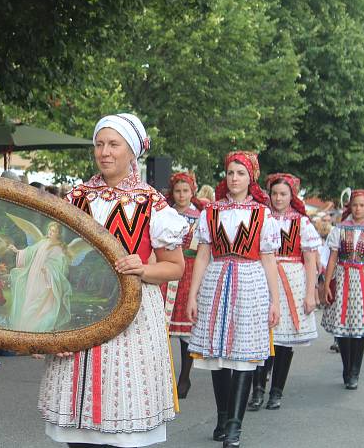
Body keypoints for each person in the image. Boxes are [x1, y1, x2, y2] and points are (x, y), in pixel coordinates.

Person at [38, 113, 187, 448]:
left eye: (114, 144)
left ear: (131, 152)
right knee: (79, 429)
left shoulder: (152, 202)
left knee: (121, 420)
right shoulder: (76, 196)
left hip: (132, 314)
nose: (105, 151)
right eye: (100, 144)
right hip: (78, 308)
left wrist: (143, 269)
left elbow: (175, 266)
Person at [186, 151, 281, 448]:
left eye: (240, 173)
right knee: (218, 358)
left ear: (250, 177)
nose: (234, 178)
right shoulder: (210, 212)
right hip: (216, 281)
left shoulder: (262, 214)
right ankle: (223, 416)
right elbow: (202, 255)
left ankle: (235, 427)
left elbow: (268, 259)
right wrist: (192, 295)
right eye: (230, 173)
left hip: (250, 283)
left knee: (241, 357)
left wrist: (275, 301)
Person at [248, 173, 320, 412]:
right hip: (264, 277)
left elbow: (310, 260)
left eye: (283, 194)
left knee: (283, 342)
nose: (278, 198)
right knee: (262, 336)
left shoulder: (301, 222)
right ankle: (258, 389)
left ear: (292, 196)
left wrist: (311, 293)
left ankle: (276, 390)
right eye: (275, 193)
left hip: (293, 280)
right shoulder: (260, 218)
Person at [321, 189, 364, 389]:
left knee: (359, 329)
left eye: (362, 205)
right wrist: (326, 283)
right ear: (349, 206)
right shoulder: (340, 229)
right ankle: (346, 365)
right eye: (354, 205)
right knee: (343, 328)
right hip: (342, 279)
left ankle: (354, 371)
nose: (358, 209)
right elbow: (333, 258)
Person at [161, 171, 204, 399]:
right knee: (163, 328)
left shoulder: (200, 216)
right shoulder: (164, 214)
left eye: (185, 190)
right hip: (168, 269)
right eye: (178, 191)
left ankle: (184, 377)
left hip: (189, 268)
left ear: (192, 191)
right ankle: (163, 377)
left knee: (186, 330)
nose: (181, 195)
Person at [8, 222, 71, 332]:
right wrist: (17, 251)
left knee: (39, 302)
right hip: (33, 275)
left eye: (54, 231)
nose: (50, 232)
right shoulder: (43, 242)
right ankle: (24, 326)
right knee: (29, 297)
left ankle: (34, 327)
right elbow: (30, 252)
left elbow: (58, 267)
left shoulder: (58, 249)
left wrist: (47, 269)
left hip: (44, 278)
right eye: (50, 230)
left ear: (58, 234)